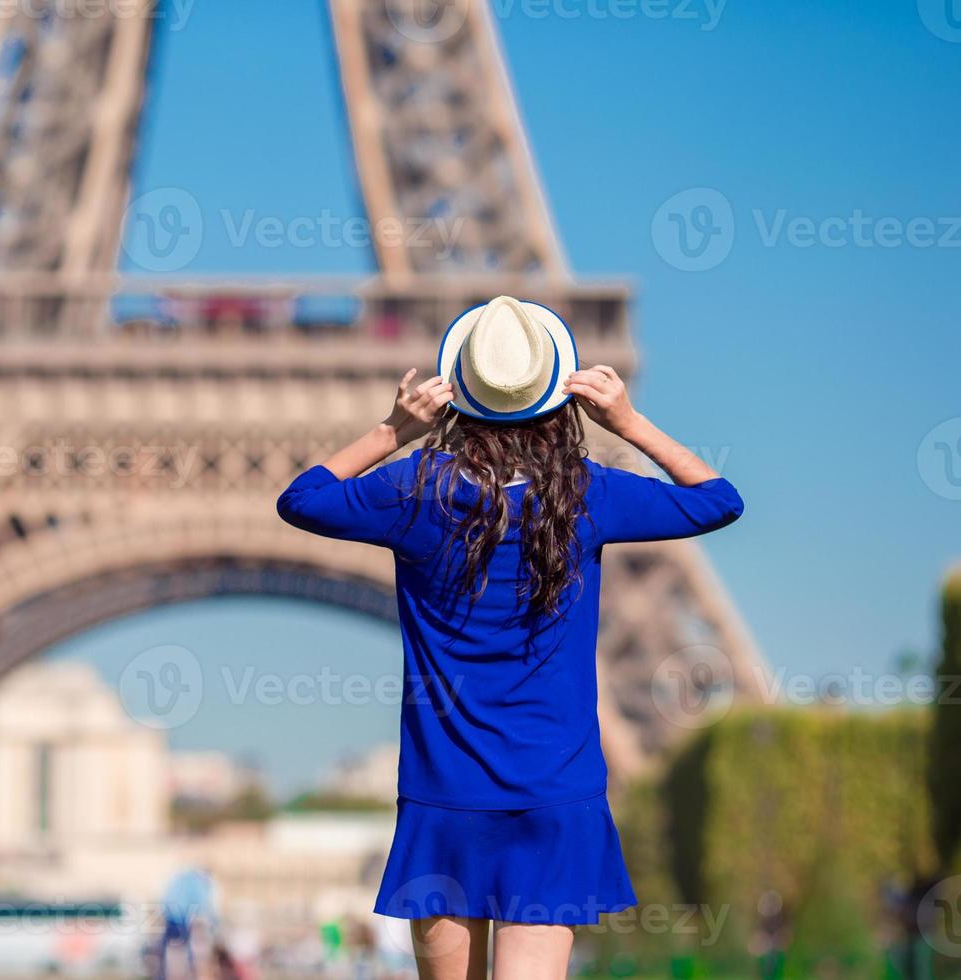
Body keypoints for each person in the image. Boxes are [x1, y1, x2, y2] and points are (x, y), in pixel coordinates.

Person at [276, 297, 745, 980]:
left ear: (457, 396)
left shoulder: (414, 491)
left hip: (446, 796)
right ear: (558, 397)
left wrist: (392, 429)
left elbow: (302, 498)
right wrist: (627, 421)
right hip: (556, 795)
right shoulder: (589, 493)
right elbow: (719, 500)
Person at [157, 866, 219, 980]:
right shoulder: (198, 883)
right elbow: (204, 908)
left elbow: (164, 903)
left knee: (178, 962)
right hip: (193, 922)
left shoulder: (181, 879)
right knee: (196, 962)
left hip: (177, 923)